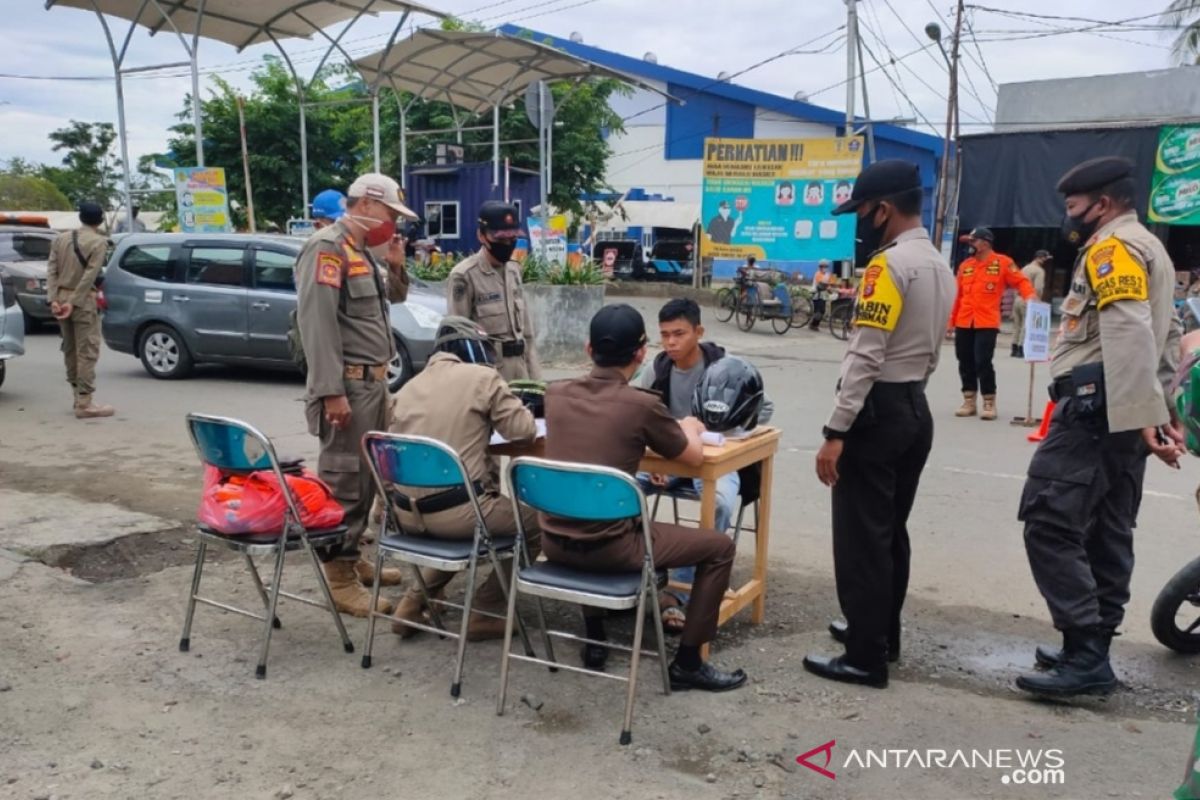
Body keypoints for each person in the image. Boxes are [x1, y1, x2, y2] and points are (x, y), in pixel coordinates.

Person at [1016, 156, 1183, 698]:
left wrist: (1143, 417)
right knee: (1107, 530)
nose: (1070, 218)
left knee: (1048, 519)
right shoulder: (1150, 245)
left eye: (1073, 207)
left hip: (1098, 410)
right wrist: (1162, 411)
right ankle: (1089, 648)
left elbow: (1133, 333)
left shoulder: (1112, 248)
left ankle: (1085, 648)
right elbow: (1170, 331)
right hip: (1128, 408)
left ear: (1102, 204)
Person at [542, 303, 748, 691]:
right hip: (614, 547)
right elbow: (693, 456)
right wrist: (685, 424)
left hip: (554, 541)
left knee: (585, 506)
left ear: (589, 350)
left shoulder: (555, 394)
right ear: (641, 354)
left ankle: (595, 634)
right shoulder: (642, 405)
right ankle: (688, 662)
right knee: (719, 547)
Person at [806, 159, 956, 689]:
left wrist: (835, 432)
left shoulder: (886, 268)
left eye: (861, 213)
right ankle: (880, 633)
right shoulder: (940, 265)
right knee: (890, 532)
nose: (858, 223)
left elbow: (866, 356)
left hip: (876, 413)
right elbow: (933, 351)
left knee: (861, 540)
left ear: (883, 210)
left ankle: (864, 657)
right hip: (915, 406)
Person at [296, 172, 416, 617]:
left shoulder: (360, 249)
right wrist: (330, 392)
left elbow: (390, 302)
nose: (393, 224)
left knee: (369, 479)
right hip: (347, 384)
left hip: (374, 383)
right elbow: (317, 323)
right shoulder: (327, 247)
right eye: (390, 214)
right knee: (346, 480)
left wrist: (398, 263)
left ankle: (352, 557)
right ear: (366, 204)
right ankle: (339, 577)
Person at [387, 316, 541, 641]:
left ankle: (413, 602)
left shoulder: (406, 388)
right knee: (539, 523)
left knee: (468, 524)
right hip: (459, 515)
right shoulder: (483, 378)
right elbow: (524, 431)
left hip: (406, 515)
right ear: (474, 348)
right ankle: (485, 611)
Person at [631, 298, 773, 632]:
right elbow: (636, 412)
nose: (670, 343)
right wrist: (657, 455)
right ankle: (638, 569)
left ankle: (683, 586)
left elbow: (763, 408)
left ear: (699, 332)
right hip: (668, 463)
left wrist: (727, 425)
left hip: (715, 465)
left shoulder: (727, 367)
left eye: (679, 334)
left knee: (721, 503)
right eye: (664, 335)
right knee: (621, 491)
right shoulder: (657, 368)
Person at [446, 202, 541, 382]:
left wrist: (536, 381)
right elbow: (459, 339)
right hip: (489, 376)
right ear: (481, 236)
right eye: (500, 240)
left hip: (521, 373)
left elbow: (527, 335)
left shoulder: (514, 271)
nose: (507, 244)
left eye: (512, 239)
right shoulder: (465, 276)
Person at [949, 226, 1037, 420]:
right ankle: (969, 400)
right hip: (964, 320)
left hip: (986, 321)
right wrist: (951, 322)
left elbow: (1021, 281)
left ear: (985, 243)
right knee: (964, 360)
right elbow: (958, 296)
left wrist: (1030, 296)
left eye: (973, 241)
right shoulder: (966, 265)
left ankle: (989, 401)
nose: (970, 245)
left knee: (982, 361)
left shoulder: (1003, 263)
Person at [46, 201, 115, 419]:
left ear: (81, 217)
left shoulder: (61, 238)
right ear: (100, 219)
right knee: (87, 351)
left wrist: (54, 299)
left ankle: (77, 396)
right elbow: (90, 276)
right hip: (82, 300)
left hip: (62, 297)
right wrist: (74, 301)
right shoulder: (98, 242)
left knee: (70, 349)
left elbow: (51, 269)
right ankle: (85, 403)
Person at [1011, 250, 1052, 357]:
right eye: (1046, 258)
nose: (1046, 261)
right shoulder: (1039, 271)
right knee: (1026, 324)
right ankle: (1021, 349)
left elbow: (1017, 283)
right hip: (1029, 299)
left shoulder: (1025, 268)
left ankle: (1014, 348)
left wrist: (1016, 298)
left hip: (1018, 298)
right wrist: (1037, 301)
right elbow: (1038, 288)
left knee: (1017, 325)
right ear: (1041, 258)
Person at [809, 259, 834, 331]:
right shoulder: (817, 274)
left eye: (826, 266)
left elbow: (832, 283)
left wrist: (831, 287)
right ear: (820, 267)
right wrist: (828, 287)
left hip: (824, 295)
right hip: (817, 294)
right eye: (823, 266)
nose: (825, 268)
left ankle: (815, 324)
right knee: (818, 311)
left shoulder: (828, 274)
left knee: (822, 311)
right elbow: (821, 285)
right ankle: (813, 325)